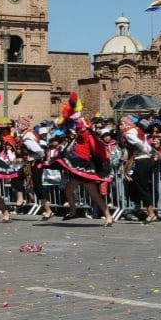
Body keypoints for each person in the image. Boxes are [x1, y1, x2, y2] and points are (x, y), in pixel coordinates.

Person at [54, 94, 115, 226]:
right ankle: (74, 211)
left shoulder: (88, 135)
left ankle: (107, 216)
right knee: (70, 190)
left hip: (84, 165)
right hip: (80, 163)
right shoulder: (80, 133)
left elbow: (95, 147)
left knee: (93, 194)